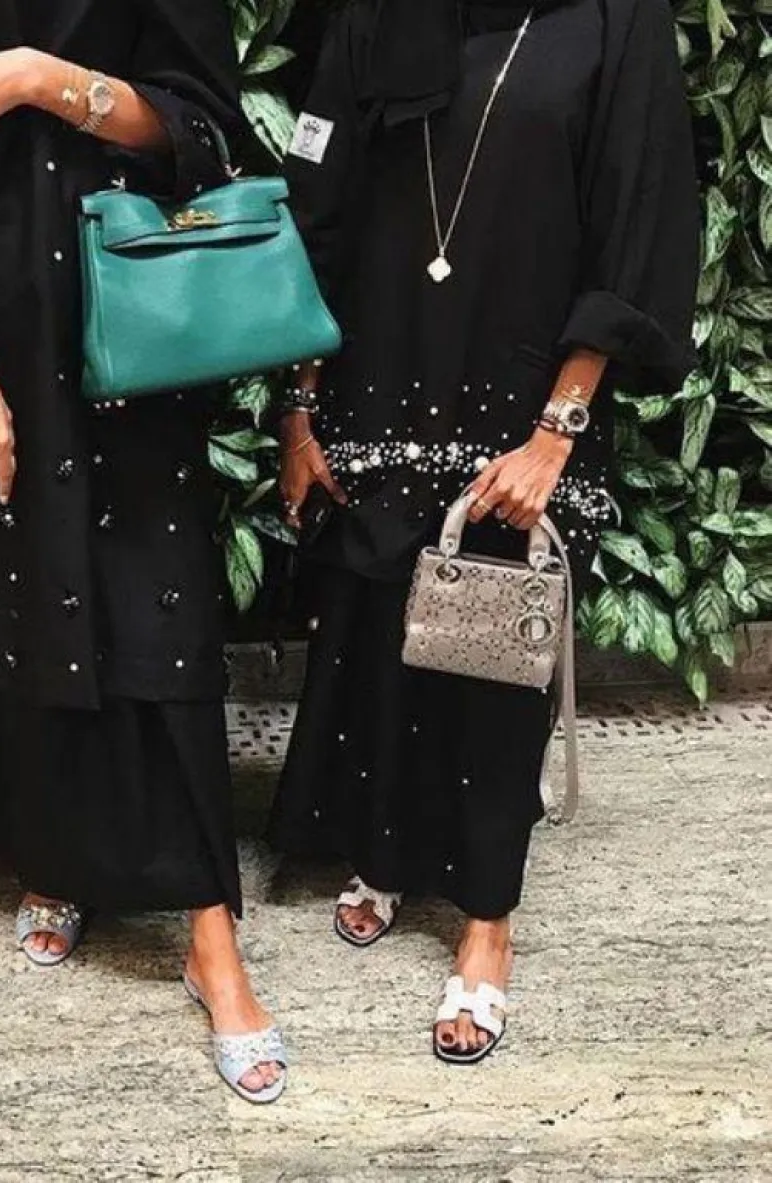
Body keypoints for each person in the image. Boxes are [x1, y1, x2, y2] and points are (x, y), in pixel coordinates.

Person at [0, 0, 286, 1102]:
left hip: (124, 305)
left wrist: (38, 77)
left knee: (158, 610)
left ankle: (212, 936)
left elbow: (198, 124)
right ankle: (55, 860)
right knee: (12, 593)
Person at [271, 0, 699, 1063]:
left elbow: (638, 215)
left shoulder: (614, 20)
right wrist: (299, 409)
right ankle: (386, 853)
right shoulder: (374, 16)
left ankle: (485, 920)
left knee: (494, 651)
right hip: (376, 380)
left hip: (524, 399)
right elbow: (320, 213)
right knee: (378, 625)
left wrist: (559, 432)